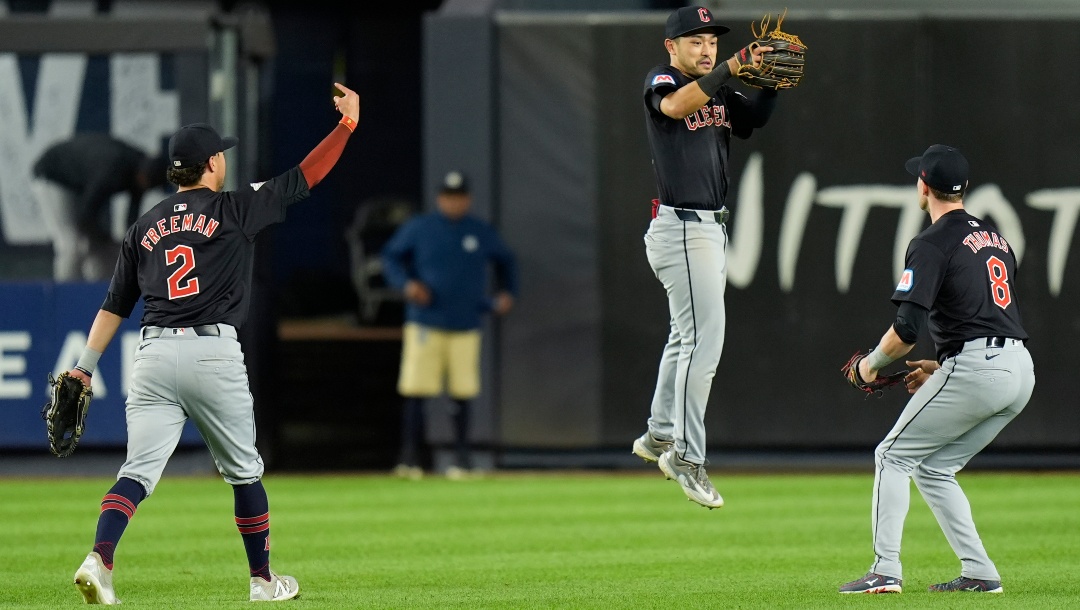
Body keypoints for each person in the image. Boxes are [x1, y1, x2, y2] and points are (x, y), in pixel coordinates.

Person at [65, 82, 360, 604]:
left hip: (151, 355)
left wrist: (84, 367)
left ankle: (99, 559)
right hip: (212, 352)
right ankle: (263, 582)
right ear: (209, 165)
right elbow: (305, 176)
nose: (224, 158)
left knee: (136, 472)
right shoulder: (235, 206)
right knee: (245, 471)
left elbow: (114, 305)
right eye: (220, 153)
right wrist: (346, 126)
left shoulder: (143, 225)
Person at [838, 145, 1033, 595]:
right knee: (934, 468)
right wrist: (948, 363)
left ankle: (885, 570)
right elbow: (983, 311)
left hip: (979, 367)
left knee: (891, 456)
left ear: (923, 187)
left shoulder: (930, 242)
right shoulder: (996, 239)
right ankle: (981, 572)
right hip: (1018, 368)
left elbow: (906, 328)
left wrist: (869, 366)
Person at [631, 5, 780, 509]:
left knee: (684, 337)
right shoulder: (664, 79)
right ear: (672, 46)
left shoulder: (716, 87)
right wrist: (731, 68)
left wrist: (772, 85)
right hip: (682, 228)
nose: (707, 48)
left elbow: (753, 120)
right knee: (704, 342)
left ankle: (657, 435)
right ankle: (687, 456)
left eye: (711, 40)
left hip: (708, 229)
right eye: (695, 41)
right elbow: (673, 108)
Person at [381, 170, 517, 481]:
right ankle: (409, 460)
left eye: (459, 198)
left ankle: (462, 460)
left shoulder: (478, 231)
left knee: (462, 391)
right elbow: (391, 257)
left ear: (466, 200)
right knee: (416, 389)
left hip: (465, 321)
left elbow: (506, 260)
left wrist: (506, 294)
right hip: (426, 321)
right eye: (448, 197)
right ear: (440, 198)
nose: (453, 203)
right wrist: (406, 285)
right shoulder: (421, 228)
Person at [31, 133, 170, 281]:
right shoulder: (112, 168)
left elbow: (131, 222)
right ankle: (63, 297)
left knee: (102, 249)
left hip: (79, 183)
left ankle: (98, 294)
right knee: (73, 244)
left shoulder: (141, 168)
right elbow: (85, 216)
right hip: (53, 175)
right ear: (143, 176)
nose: (148, 188)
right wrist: (102, 238)